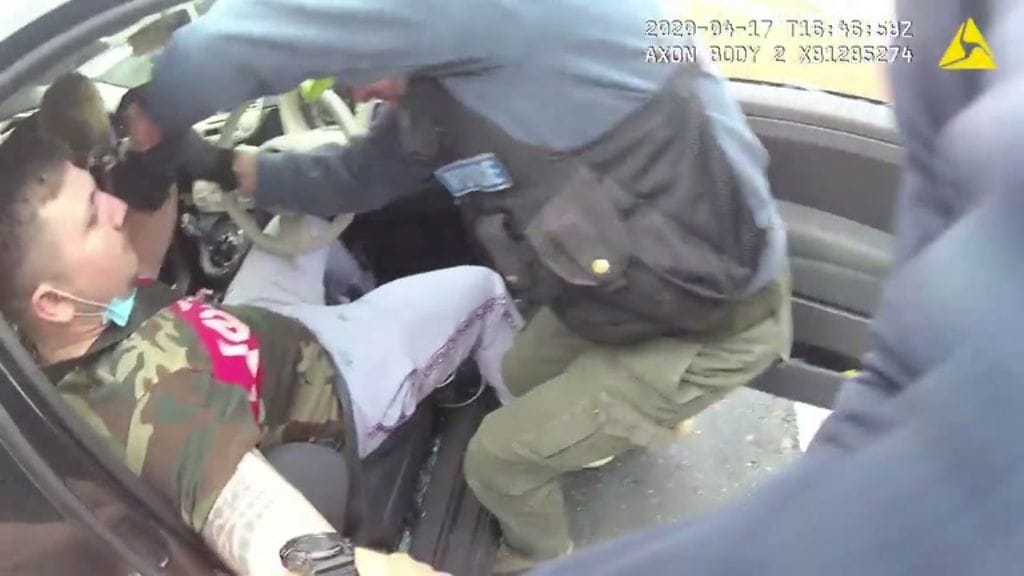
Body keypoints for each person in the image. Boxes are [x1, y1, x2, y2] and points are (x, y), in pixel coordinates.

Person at [115, 0, 792, 571]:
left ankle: (538, 557)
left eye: (348, 65)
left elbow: (219, 49)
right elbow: (354, 179)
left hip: (708, 325)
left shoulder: (502, 15)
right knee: (519, 374)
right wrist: (223, 167)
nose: (355, 93)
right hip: (619, 303)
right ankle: (619, 423)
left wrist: (152, 126)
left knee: (499, 462)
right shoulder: (442, 89)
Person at [524, 0, 1024, 574]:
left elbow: (961, 492)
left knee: (499, 460)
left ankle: (526, 549)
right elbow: (913, 353)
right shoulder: (955, 28)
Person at [0, 121, 519, 575]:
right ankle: (525, 424)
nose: (116, 210)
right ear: (53, 303)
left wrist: (161, 154)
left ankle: (363, 290)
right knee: (484, 289)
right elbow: (275, 546)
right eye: (93, 217)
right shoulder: (155, 406)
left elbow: (146, 248)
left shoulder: (61, 325)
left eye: (99, 194)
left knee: (305, 209)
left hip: (248, 327)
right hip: (334, 380)